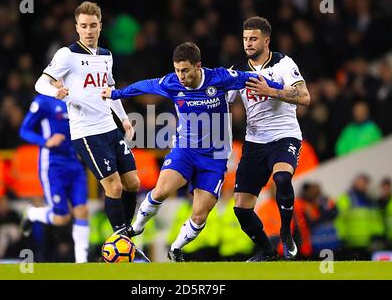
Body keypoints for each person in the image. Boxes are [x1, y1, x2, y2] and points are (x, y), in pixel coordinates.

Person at [101, 42, 284, 261]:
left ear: (198, 66)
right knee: (161, 190)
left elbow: (248, 78)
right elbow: (144, 86)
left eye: (185, 70)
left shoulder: (220, 78)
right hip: (185, 151)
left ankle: (176, 249)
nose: (180, 75)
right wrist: (116, 93)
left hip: (215, 158)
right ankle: (135, 228)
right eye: (177, 70)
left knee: (199, 214)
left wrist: (279, 89)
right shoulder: (171, 82)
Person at [33, 1, 148, 262]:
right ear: (76, 27)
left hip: (110, 129)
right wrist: (57, 92)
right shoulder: (66, 55)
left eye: (93, 25)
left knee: (134, 183)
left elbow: (110, 89)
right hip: (86, 133)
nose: (88, 30)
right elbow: (40, 82)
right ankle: (122, 241)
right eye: (83, 26)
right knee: (114, 186)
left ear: (100, 26)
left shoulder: (106, 55)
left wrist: (123, 119)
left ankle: (124, 235)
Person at [228, 16, 310, 261]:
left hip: (284, 136)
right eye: (245, 39)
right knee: (241, 209)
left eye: (253, 39)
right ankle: (267, 251)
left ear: (266, 40)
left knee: (282, 177)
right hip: (254, 142)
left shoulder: (283, 63)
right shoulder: (239, 73)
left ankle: (286, 232)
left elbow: (305, 97)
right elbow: (222, 104)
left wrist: (271, 91)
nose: (248, 44)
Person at [19, 88, 89, 263]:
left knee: (82, 210)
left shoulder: (75, 98)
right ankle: (32, 213)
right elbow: (24, 130)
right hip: (52, 164)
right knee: (61, 218)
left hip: (74, 162)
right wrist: (45, 141)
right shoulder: (43, 101)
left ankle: (82, 263)